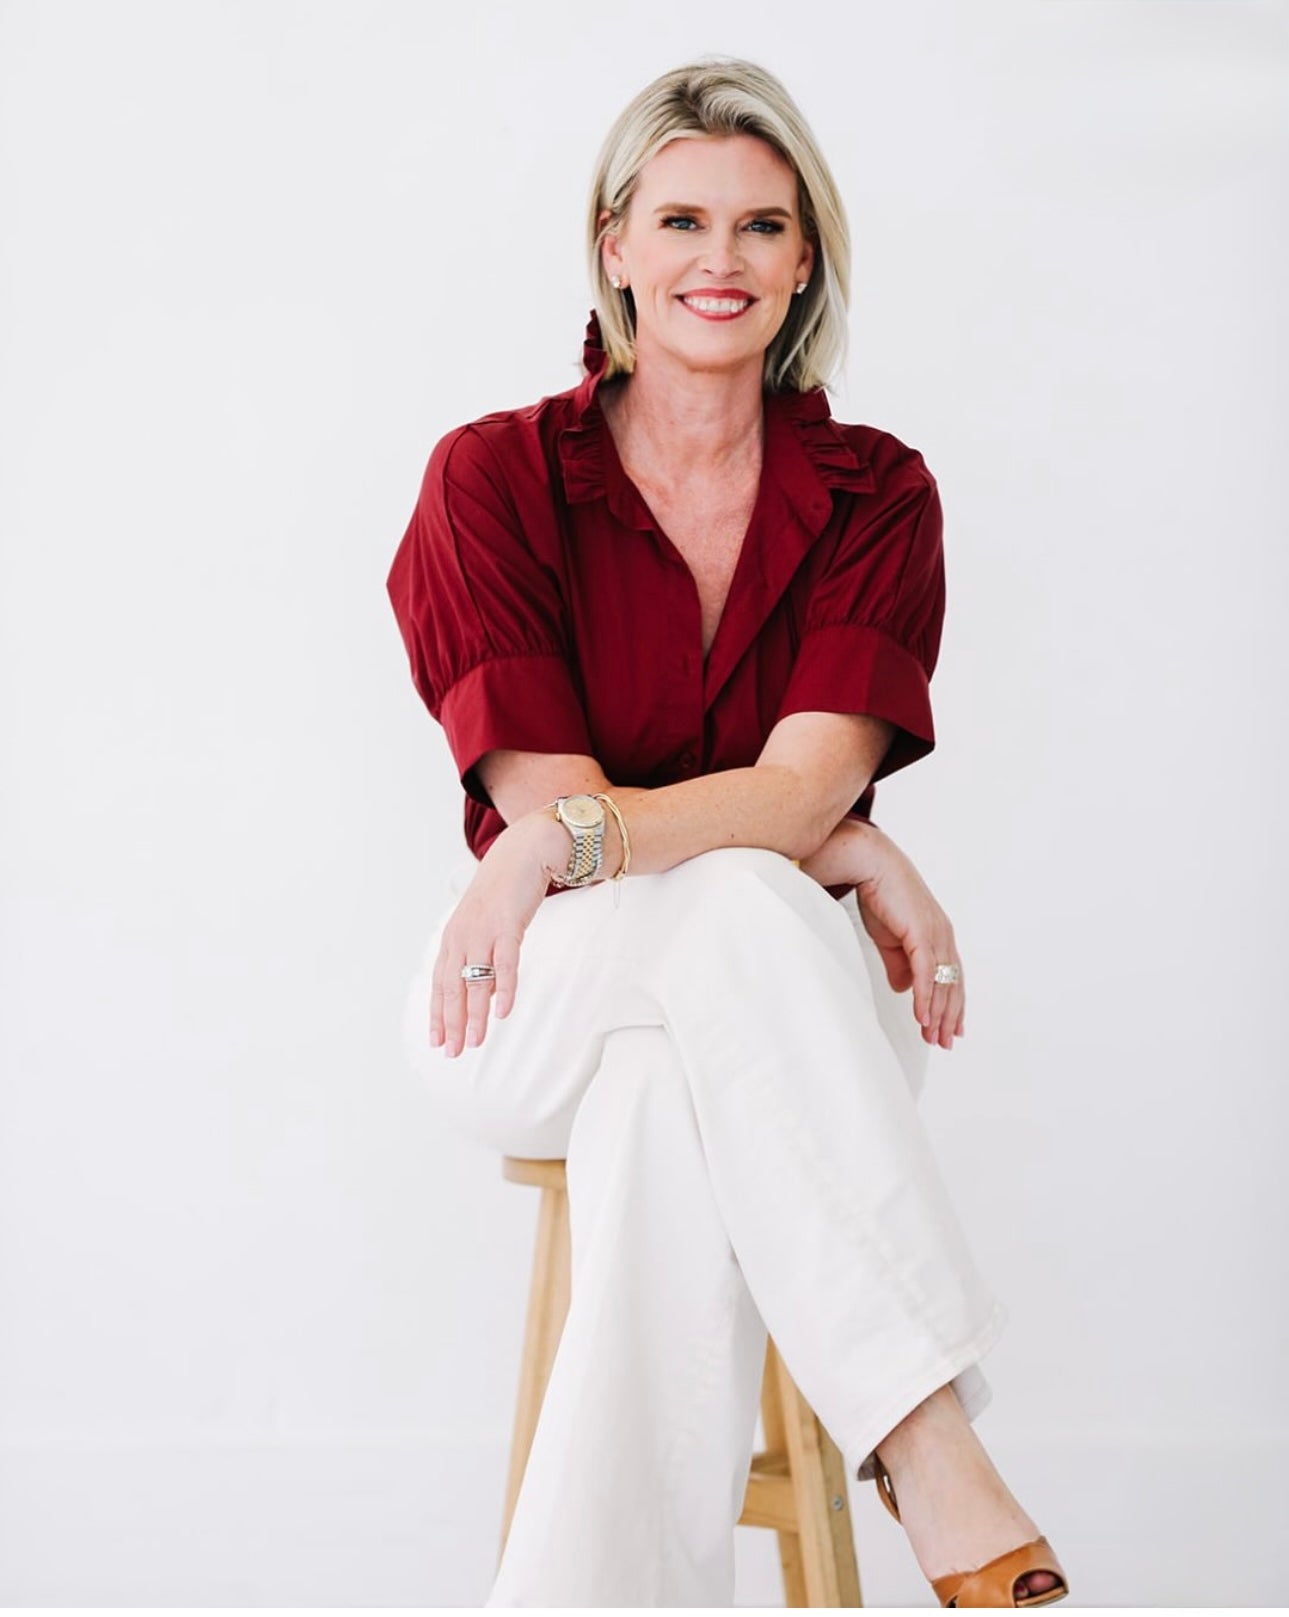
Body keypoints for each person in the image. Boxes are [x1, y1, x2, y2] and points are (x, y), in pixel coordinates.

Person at [386, 57, 1070, 1609]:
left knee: (679, 1076)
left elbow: (654, 808)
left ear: (805, 257)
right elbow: (581, 801)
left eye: (762, 226)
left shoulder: (874, 492)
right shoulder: (491, 479)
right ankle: (922, 1434)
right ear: (612, 242)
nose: (720, 259)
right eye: (680, 219)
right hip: (521, 989)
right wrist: (828, 843)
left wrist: (787, 829)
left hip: (779, 1018)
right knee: (747, 905)